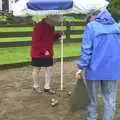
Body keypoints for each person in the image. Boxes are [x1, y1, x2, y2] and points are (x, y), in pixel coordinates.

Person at [75, 9, 120, 120]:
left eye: (89, 16)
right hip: (111, 71)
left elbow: (86, 50)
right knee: (110, 100)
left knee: (92, 99)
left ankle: (91, 118)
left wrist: (81, 67)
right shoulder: (117, 27)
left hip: (93, 70)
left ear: (93, 15)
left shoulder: (91, 27)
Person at [31, 15, 62, 94]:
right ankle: (35, 86)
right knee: (37, 69)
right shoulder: (39, 26)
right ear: (49, 19)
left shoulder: (51, 26)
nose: (55, 24)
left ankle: (47, 87)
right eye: (54, 22)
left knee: (49, 68)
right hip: (38, 52)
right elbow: (35, 42)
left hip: (48, 51)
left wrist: (57, 35)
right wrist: (44, 51)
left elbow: (50, 39)